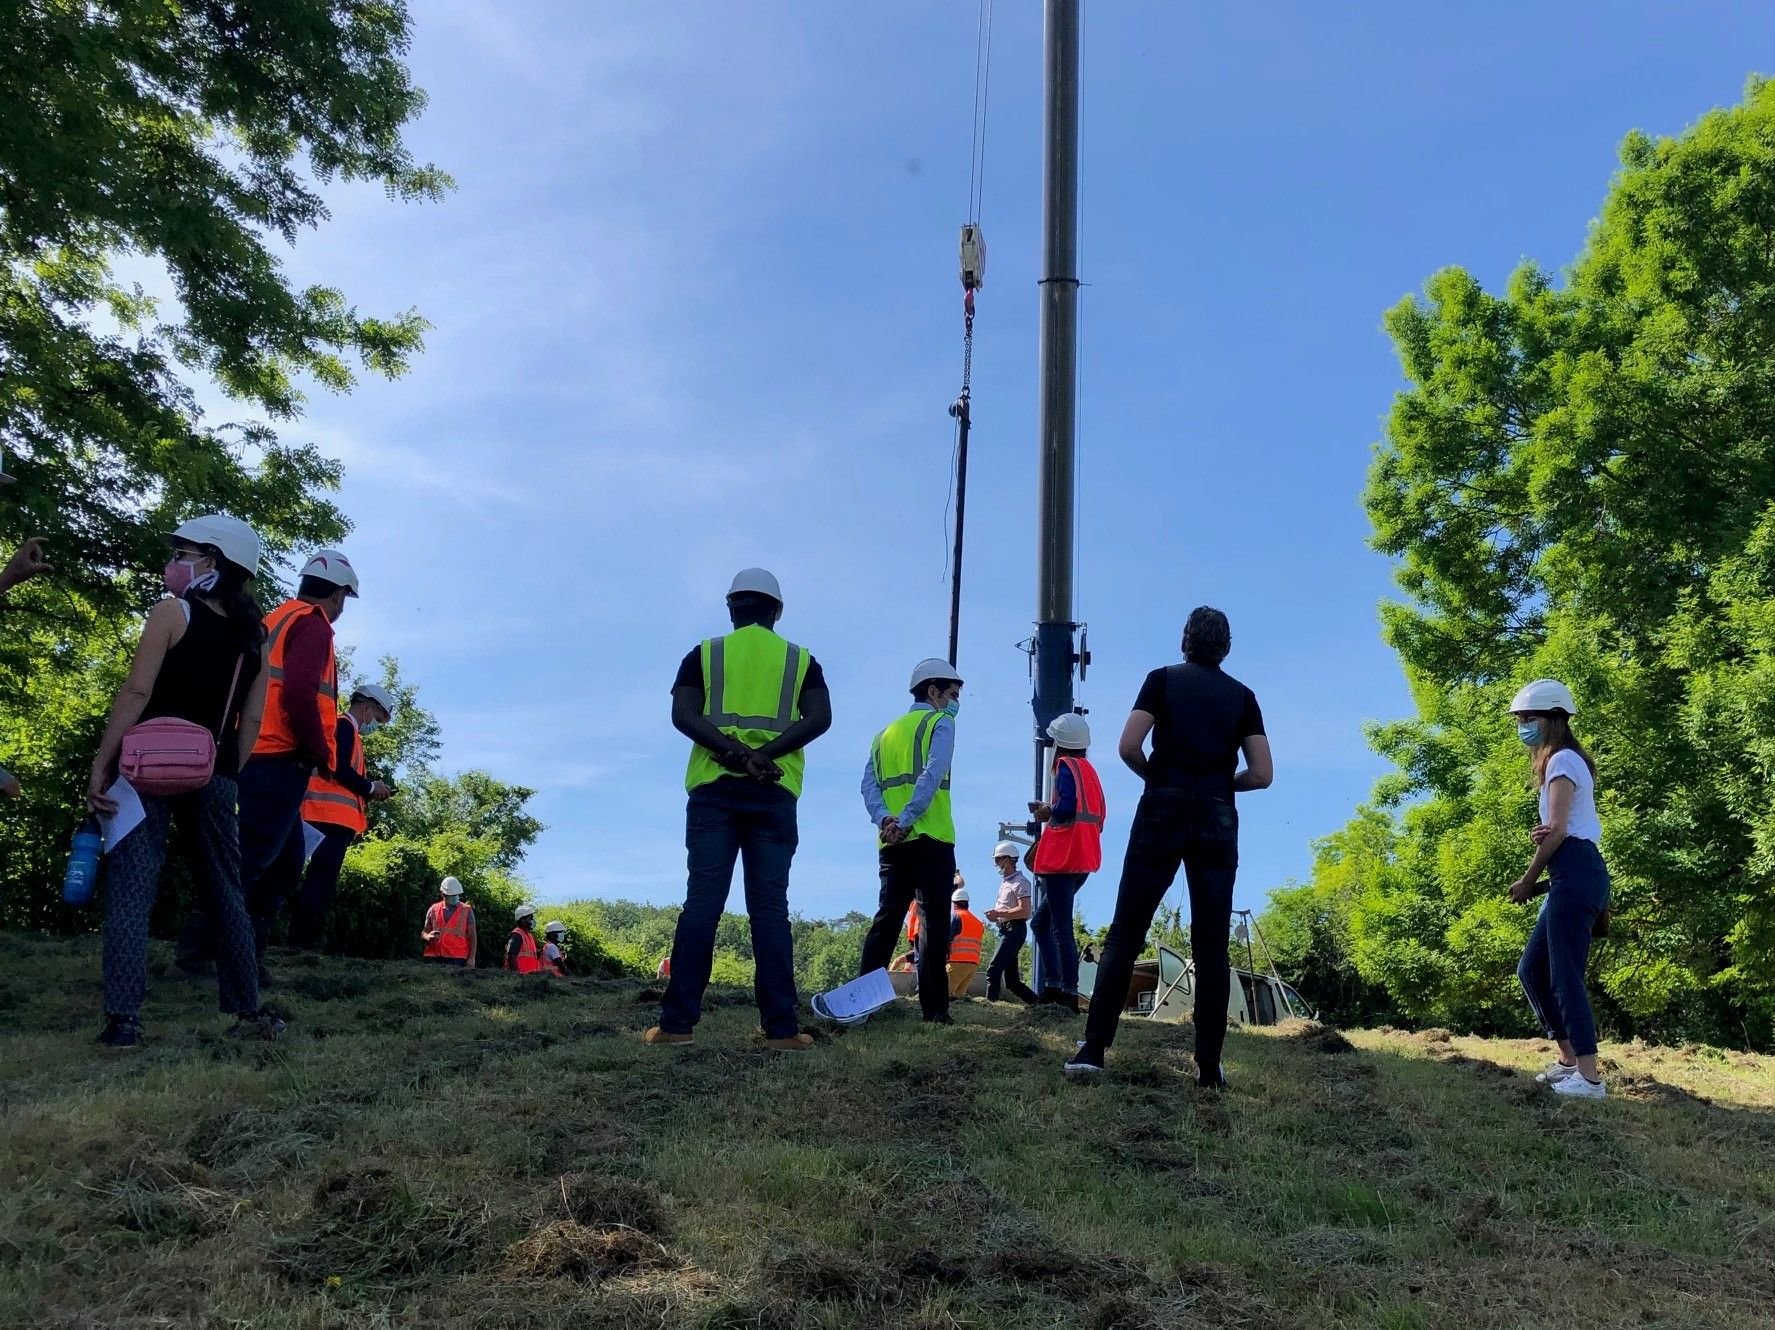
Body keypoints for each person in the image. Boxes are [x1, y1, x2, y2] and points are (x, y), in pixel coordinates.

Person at [86, 515, 284, 1047]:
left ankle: (124, 1020)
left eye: (184, 551)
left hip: (144, 767)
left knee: (133, 886)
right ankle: (246, 1010)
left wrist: (102, 762)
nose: (173, 561)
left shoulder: (170, 613)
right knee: (225, 890)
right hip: (212, 770)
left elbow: (135, 694)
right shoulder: (254, 639)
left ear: (212, 562)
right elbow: (254, 720)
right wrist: (227, 772)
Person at [1065, 607, 1272, 1085]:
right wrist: (1220, 785)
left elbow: (1128, 746)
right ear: (1226, 647)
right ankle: (1208, 1068)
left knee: (1126, 932)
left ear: (1185, 640)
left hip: (1162, 807)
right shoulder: (1244, 697)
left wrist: (1158, 779)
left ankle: (1093, 1050)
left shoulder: (1160, 680)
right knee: (1212, 944)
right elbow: (1262, 773)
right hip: (1218, 816)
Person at [647, 569, 832, 1051]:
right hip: (774, 794)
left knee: (702, 904)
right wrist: (765, 757)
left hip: (714, 790)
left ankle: (676, 1027)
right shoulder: (801, 660)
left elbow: (684, 715)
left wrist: (733, 753)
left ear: (732, 609)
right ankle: (782, 1031)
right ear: (776, 611)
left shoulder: (705, 654)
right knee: (770, 910)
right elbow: (820, 718)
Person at [180, 548, 360, 978]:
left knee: (284, 861)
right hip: (281, 756)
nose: (339, 610)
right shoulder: (314, 626)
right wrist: (318, 750)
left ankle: (247, 954)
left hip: (253, 748)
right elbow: (299, 694)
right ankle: (197, 958)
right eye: (342, 601)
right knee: (249, 860)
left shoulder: (276, 617)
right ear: (336, 595)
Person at [1508, 679, 1612, 1100]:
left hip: (1576, 870)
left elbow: (1558, 833)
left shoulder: (1563, 761)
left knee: (1565, 975)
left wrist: (1528, 879)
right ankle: (1569, 1061)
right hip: (1570, 874)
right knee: (1532, 970)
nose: (1522, 728)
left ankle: (1590, 1080)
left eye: (1527, 719)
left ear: (1552, 719)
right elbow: (1558, 832)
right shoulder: (1562, 761)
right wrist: (1541, 880)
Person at [858, 658, 963, 1025]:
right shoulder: (941, 723)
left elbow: (868, 786)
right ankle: (934, 1012)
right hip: (931, 838)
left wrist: (885, 821)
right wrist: (904, 820)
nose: (955, 702)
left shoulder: (883, 734)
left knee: (886, 921)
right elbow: (932, 775)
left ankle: (863, 1005)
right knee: (933, 924)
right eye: (952, 694)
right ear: (933, 691)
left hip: (891, 843)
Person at [285, 684, 395, 950]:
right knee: (318, 882)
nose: (376, 725)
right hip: (328, 818)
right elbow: (340, 770)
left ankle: (300, 942)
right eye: (378, 719)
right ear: (368, 707)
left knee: (315, 881)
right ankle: (300, 944)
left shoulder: (348, 731)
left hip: (329, 818)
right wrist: (371, 787)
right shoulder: (344, 726)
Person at [1030, 713, 1107, 1010]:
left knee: (1060, 928)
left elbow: (1064, 809)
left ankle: (1067, 993)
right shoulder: (1090, 771)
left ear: (1059, 743)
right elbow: (1097, 814)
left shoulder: (1065, 766)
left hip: (1062, 859)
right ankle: (1053, 986)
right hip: (1084, 857)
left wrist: (1046, 811)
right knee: (1041, 922)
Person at [984, 841, 1037, 1004]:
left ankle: (989, 1006)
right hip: (1006, 930)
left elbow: (1025, 911)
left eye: (998, 859)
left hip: (1014, 930)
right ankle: (1038, 1004)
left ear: (1008, 859)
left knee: (993, 970)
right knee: (1012, 982)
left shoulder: (1020, 882)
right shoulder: (1007, 882)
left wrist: (998, 913)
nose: (996, 863)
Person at [421, 877, 477, 967]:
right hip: (433, 957)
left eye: (457, 895)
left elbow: (473, 937)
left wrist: (471, 958)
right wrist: (427, 936)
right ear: (443, 895)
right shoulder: (433, 909)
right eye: (452, 895)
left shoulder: (466, 910)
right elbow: (424, 932)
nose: (455, 897)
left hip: (457, 959)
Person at [946, 885, 987, 998]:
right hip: (972, 966)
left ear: (954, 904)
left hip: (956, 963)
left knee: (941, 995)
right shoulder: (978, 922)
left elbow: (947, 939)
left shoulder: (956, 917)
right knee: (956, 998)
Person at [506, 904, 541, 973]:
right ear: (523, 920)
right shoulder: (517, 934)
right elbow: (511, 956)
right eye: (530, 918)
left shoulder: (529, 935)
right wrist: (516, 975)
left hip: (530, 977)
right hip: (521, 978)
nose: (532, 921)